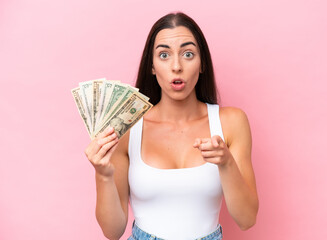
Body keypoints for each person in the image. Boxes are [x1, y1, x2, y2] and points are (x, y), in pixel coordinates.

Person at [85, 12, 259, 240]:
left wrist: (226, 162)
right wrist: (103, 174)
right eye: (164, 55)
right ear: (152, 66)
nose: (176, 66)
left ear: (202, 63)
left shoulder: (231, 122)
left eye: (188, 54)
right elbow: (113, 231)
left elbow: (246, 220)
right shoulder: (129, 127)